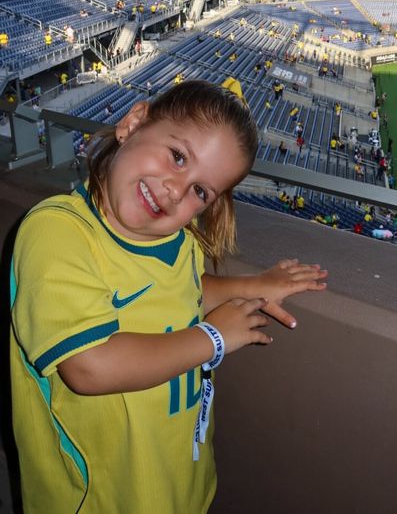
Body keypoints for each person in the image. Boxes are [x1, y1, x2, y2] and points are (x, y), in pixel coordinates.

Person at [10, 78, 327, 513]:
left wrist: (255, 284)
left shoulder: (176, 240)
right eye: (177, 157)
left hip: (175, 486)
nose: (176, 191)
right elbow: (88, 366)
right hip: (100, 500)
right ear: (134, 122)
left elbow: (184, 293)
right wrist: (212, 339)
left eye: (200, 191)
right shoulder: (57, 233)